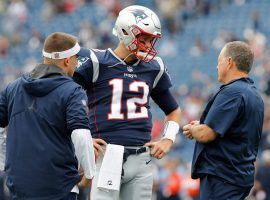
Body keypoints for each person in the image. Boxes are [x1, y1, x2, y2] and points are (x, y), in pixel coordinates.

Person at [73, 5, 181, 200]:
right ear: (125, 32)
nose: (149, 45)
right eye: (144, 38)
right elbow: (66, 99)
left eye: (151, 40)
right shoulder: (97, 61)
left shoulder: (153, 67)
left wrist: (168, 138)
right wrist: (83, 138)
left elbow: (173, 111)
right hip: (106, 155)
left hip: (142, 159)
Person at [0, 32, 96, 200]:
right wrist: (89, 172)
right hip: (58, 186)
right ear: (67, 60)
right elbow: (81, 134)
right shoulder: (72, 90)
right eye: (75, 58)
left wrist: (4, 162)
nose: (77, 62)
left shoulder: (12, 88)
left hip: (19, 187)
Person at [183, 41, 264, 200]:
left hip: (222, 175)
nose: (216, 66)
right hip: (239, 175)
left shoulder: (232, 92)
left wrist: (194, 130)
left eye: (219, 61)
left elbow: (207, 134)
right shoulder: (254, 94)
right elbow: (233, 130)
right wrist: (202, 126)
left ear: (229, 62)